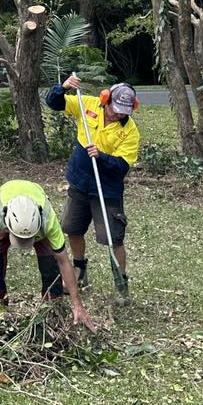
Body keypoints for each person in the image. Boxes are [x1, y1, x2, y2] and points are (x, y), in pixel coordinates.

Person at [0, 179, 93, 327]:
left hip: (39, 222)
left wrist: (78, 305)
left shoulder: (48, 220)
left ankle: (52, 313)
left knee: (51, 265)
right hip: (6, 212)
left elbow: (63, 261)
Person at [44, 75, 140, 288]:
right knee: (72, 229)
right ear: (105, 99)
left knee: (113, 237)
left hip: (107, 190)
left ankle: (120, 280)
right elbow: (53, 103)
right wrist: (63, 87)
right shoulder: (86, 103)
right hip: (79, 181)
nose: (117, 114)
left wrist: (102, 156)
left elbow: (122, 166)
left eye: (123, 111)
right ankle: (80, 269)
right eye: (114, 108)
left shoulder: (130, 130)